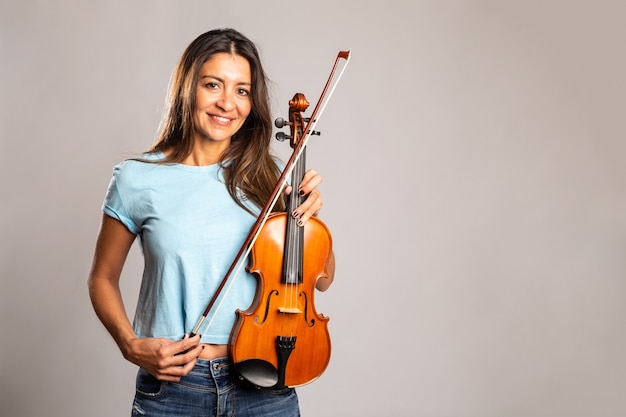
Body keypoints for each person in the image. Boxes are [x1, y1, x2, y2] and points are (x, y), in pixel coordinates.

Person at [88, 28, 335, 417]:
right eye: (213, 84)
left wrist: (309, 219)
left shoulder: (271, 175)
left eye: (241, 90)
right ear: (189, 88)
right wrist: (130, 344)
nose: (227, 103)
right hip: (174, 387)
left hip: (266, 379)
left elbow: (319, 279)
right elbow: (102, 277)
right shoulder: (137, 178)